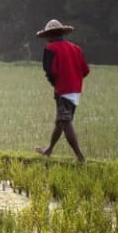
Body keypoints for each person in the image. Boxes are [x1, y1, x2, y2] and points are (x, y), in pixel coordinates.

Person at [35, 18, 88, 163]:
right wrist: (74, 78)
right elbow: (85, 70)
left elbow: (50, 71)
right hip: (75, 89)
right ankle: (49, 149)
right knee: (60, 121)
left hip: (63, 89)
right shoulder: (76, 48)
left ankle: (80, 156)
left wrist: (56, 84)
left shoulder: (50, 49)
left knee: (65, 121)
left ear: (49, 36)